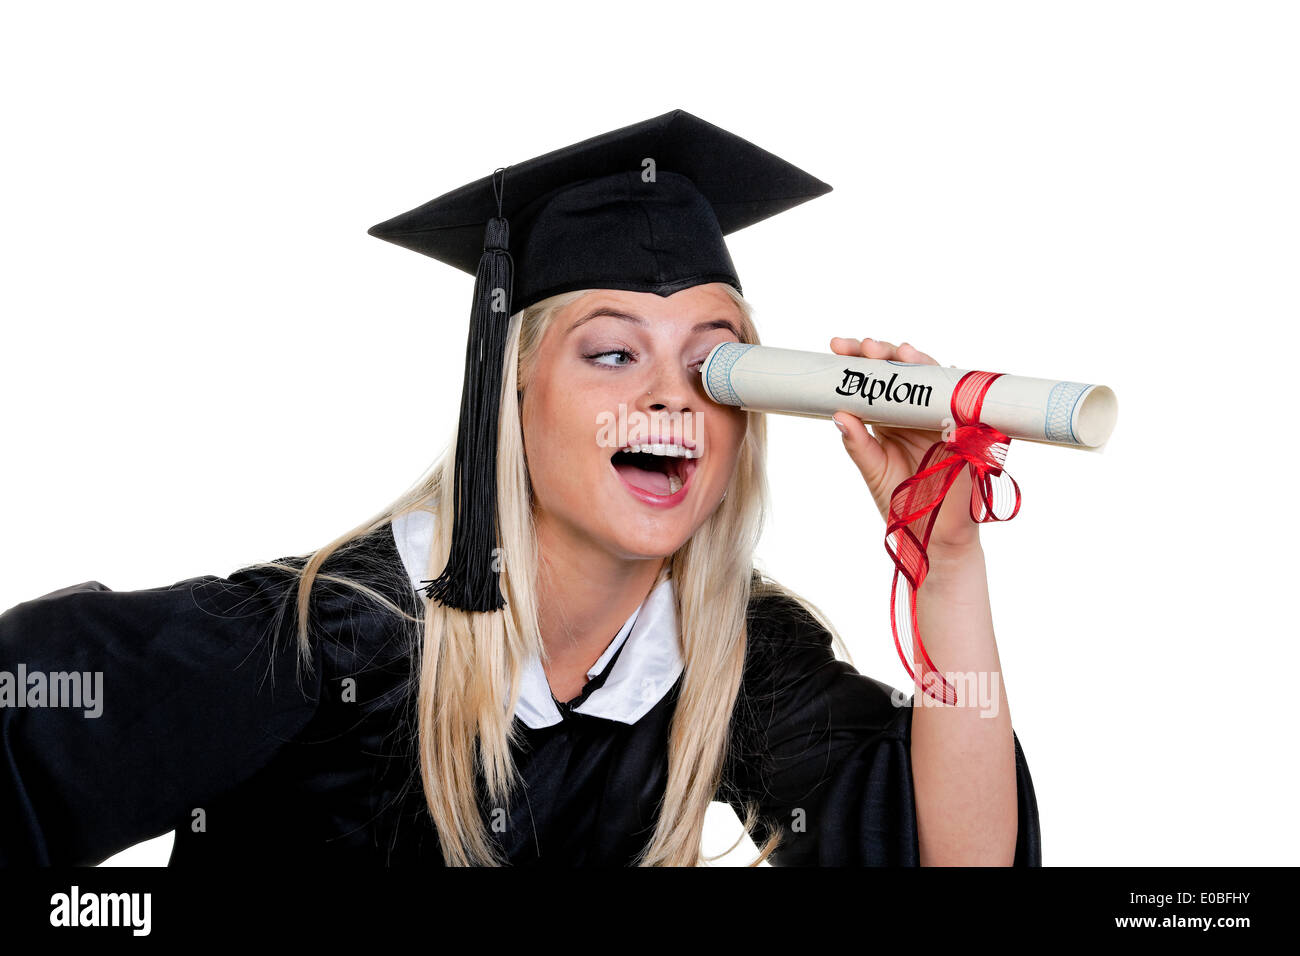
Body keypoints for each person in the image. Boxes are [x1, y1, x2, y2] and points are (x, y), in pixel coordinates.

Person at [0, 110, 1041, 866]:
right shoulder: (335, 639)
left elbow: (959, 861)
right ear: (511, 395)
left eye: (712, 362)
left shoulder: (724, 649)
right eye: (610, 355)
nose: (670, 397)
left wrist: (944, 564)